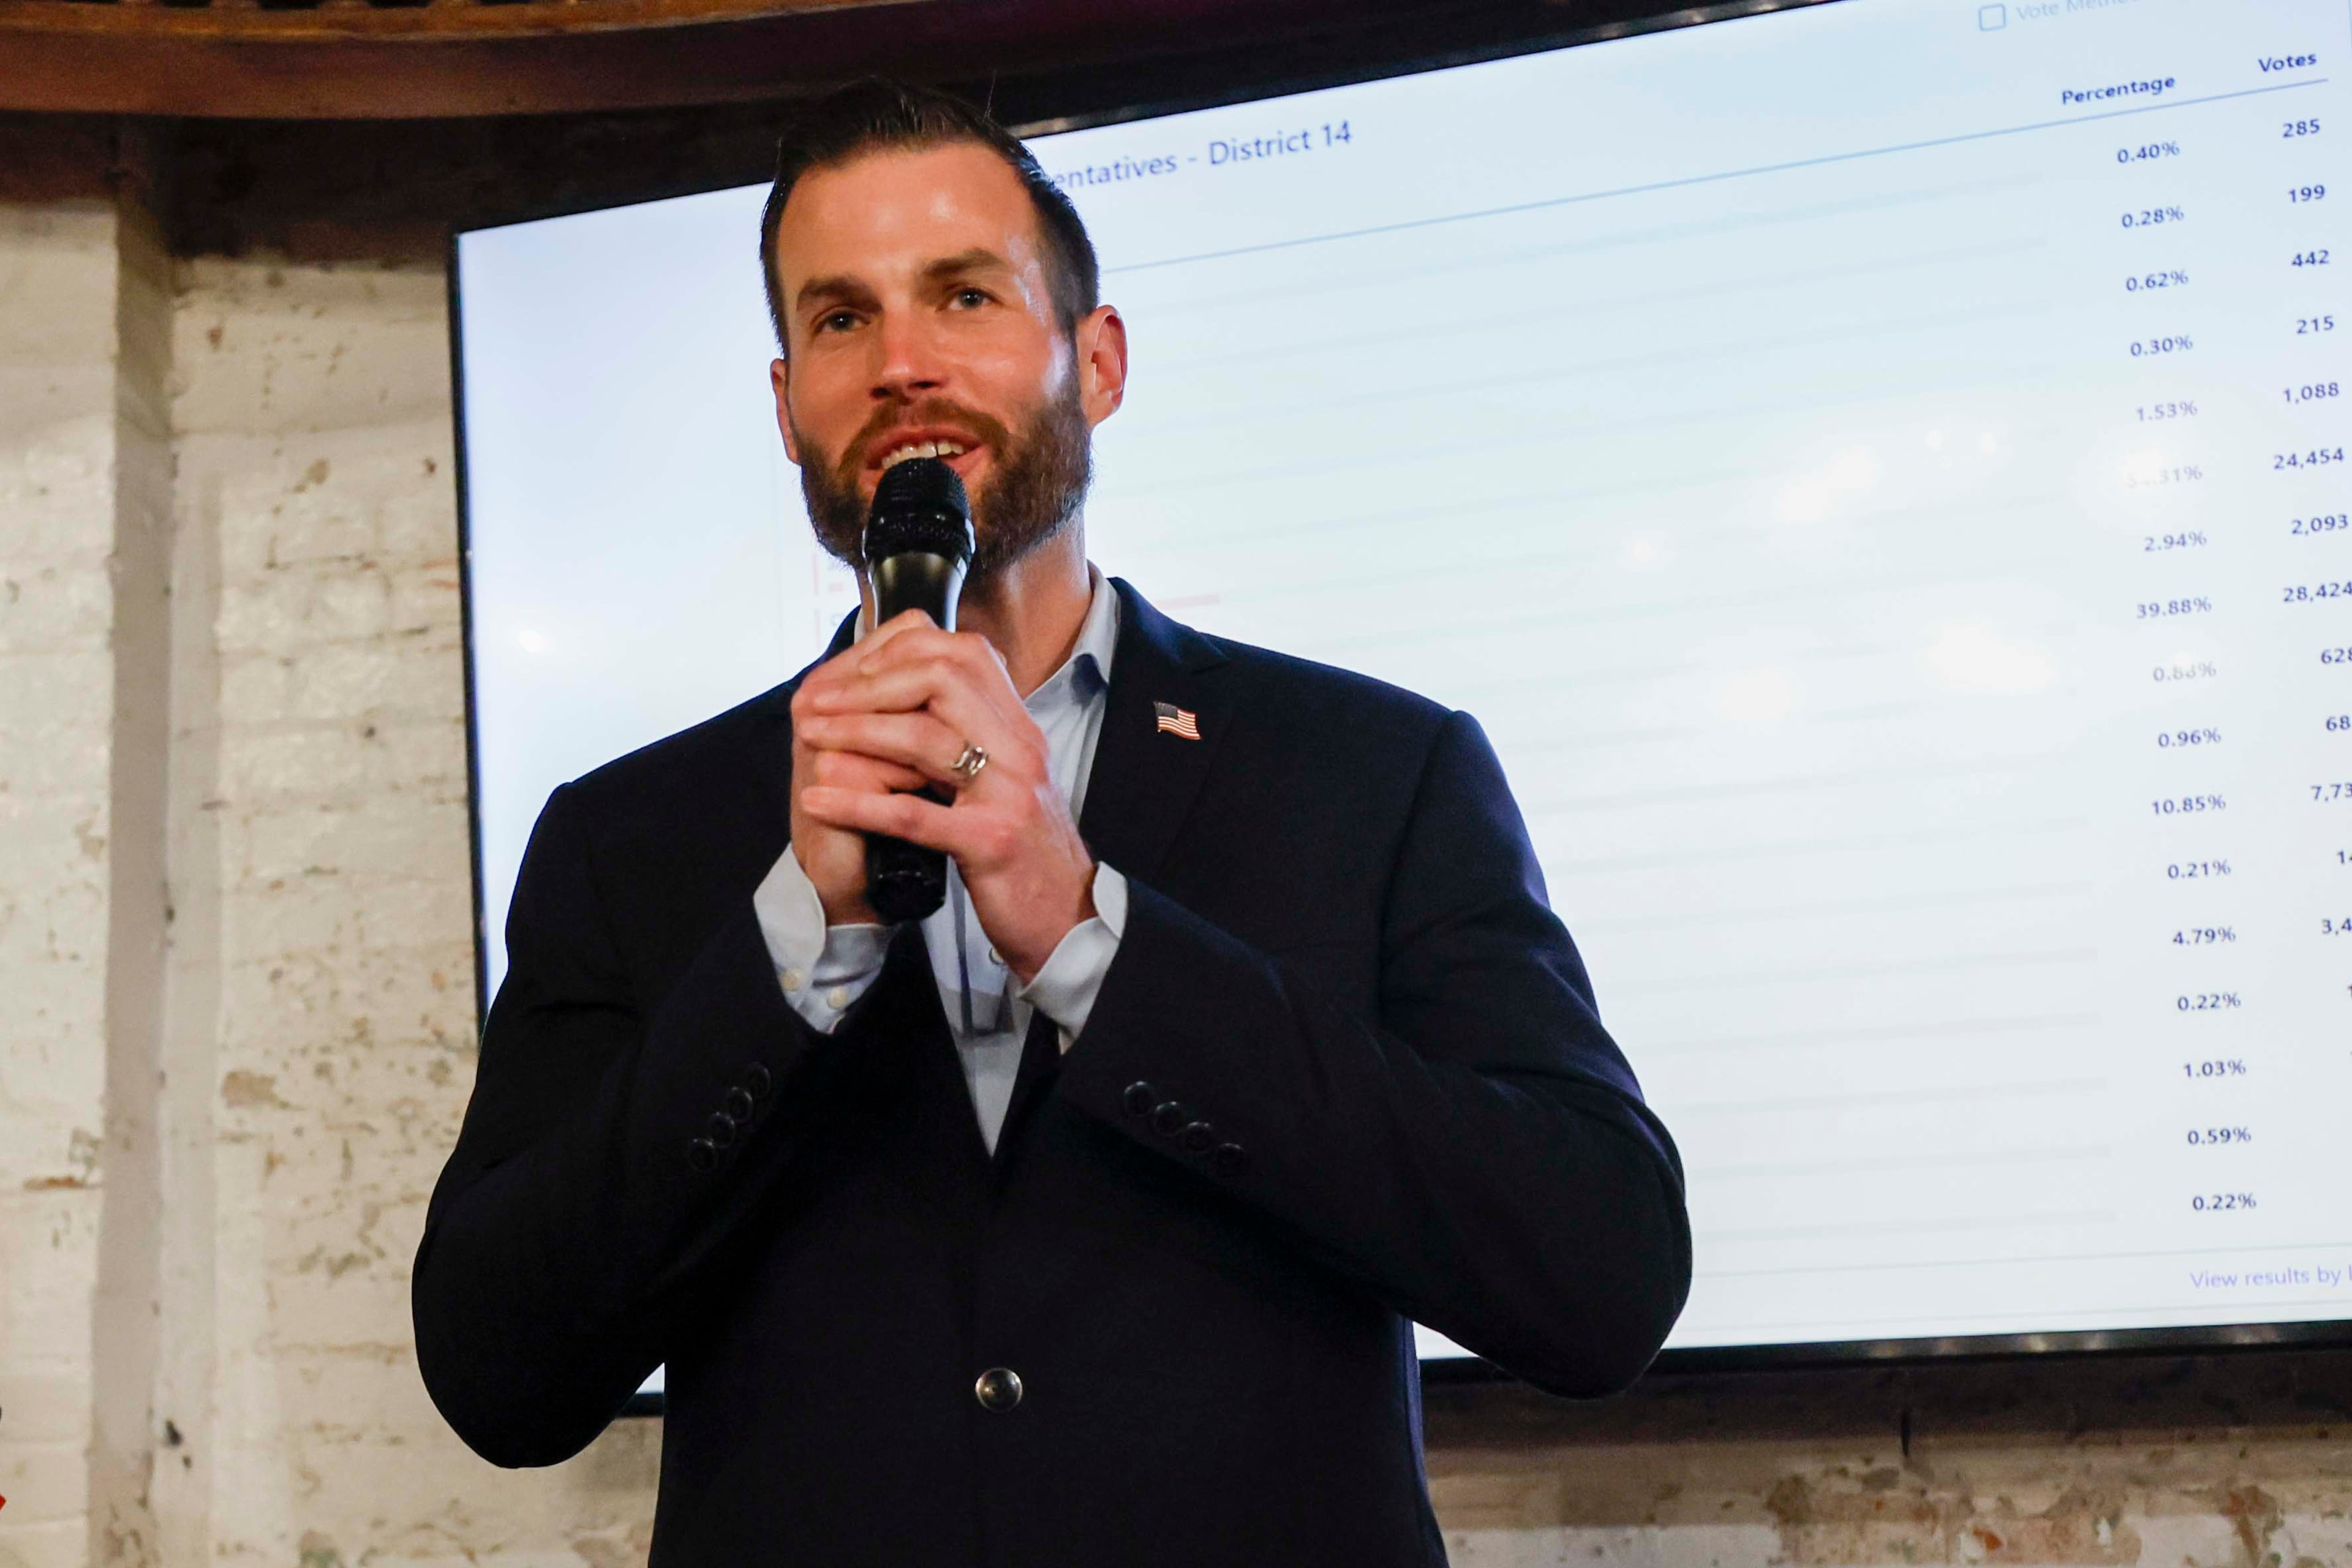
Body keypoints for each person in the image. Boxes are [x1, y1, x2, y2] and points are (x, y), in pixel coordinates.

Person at [413, 77, 1691, 1567]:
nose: (901, 363)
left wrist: (1090, 931)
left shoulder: (1375, 769)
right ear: (785, 408)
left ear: (1098, 359)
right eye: (840, 319)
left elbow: (1600, 1273)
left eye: (962, 296)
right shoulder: (629, 836)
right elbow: (500, 1372)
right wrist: (791, 951)